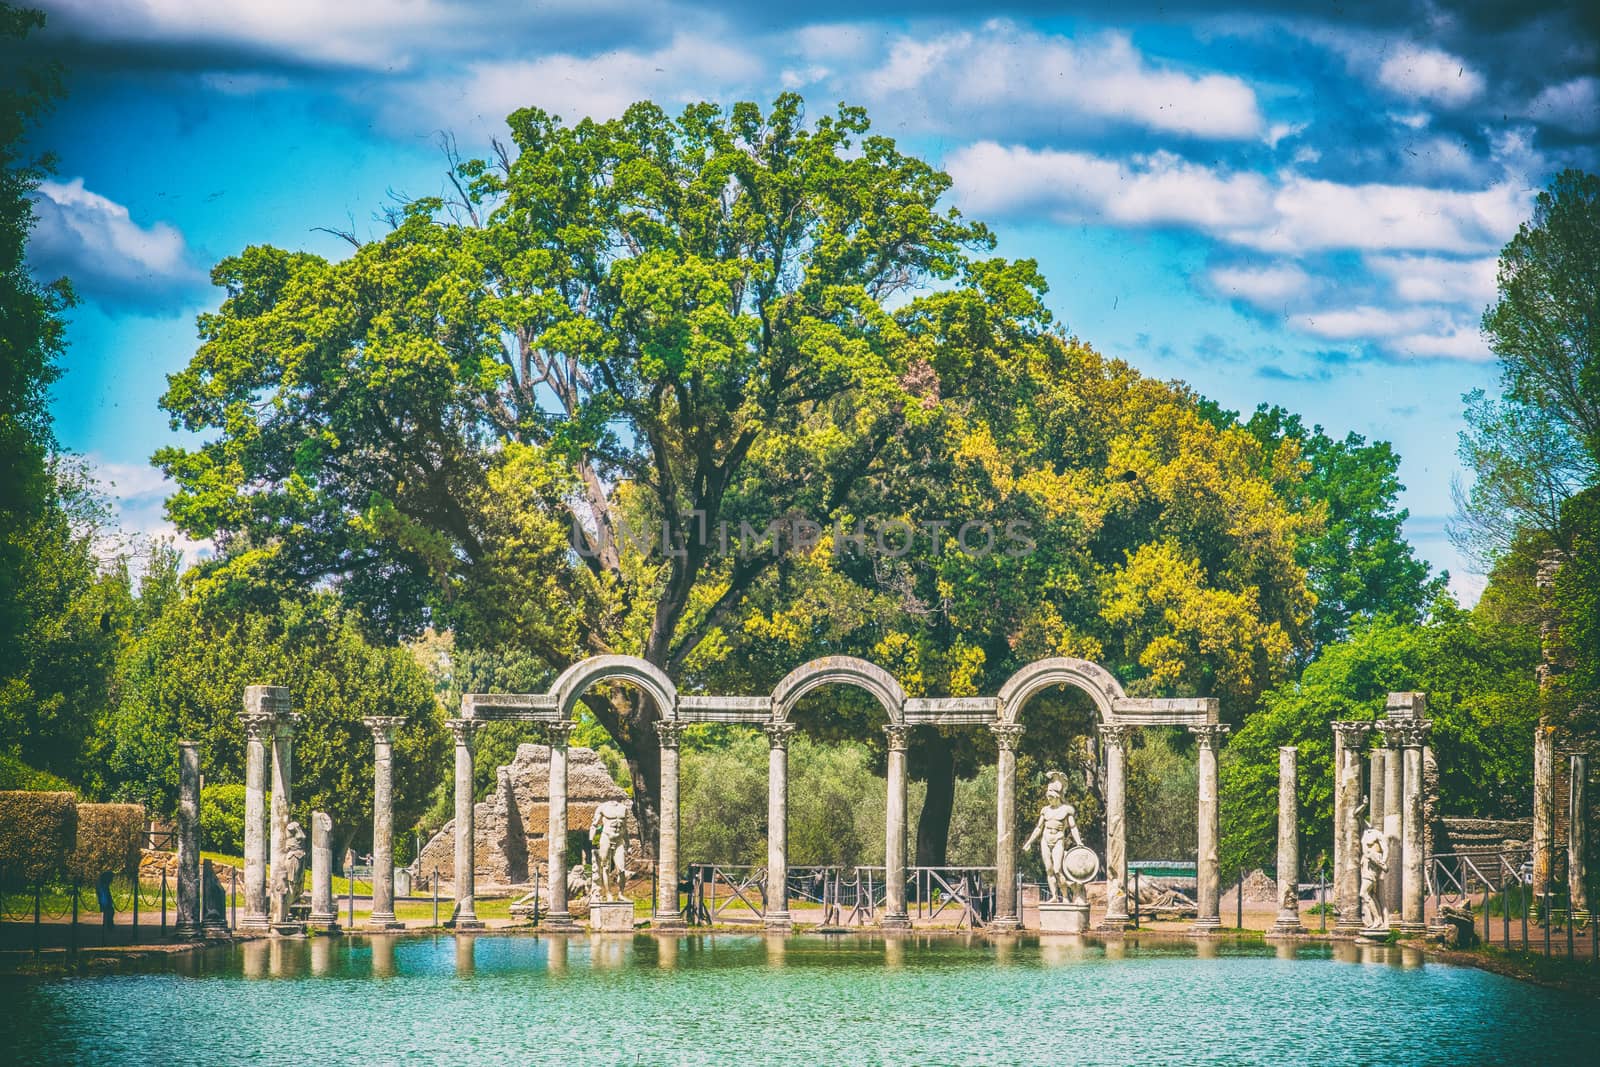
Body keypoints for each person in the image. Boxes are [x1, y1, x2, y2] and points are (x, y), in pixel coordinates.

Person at [1022, 771, 1085, 903]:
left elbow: (1073, 827)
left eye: (1051, 797)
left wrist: (1079, 842)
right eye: (1048, 797)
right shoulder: (1045, 810)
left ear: (1057, 796)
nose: (1049, 800)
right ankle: (1055, 896)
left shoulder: (1066, 809)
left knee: (1057, 869)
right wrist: (1029, 842)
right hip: (1045, 840)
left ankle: (1066, 896)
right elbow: (1039, 828)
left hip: (1058, 840)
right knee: (1049, 870)